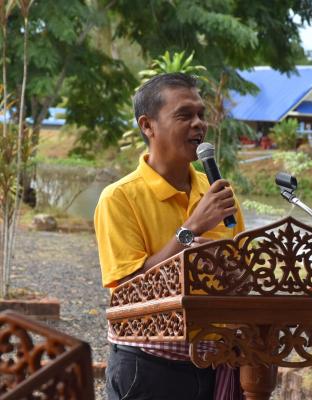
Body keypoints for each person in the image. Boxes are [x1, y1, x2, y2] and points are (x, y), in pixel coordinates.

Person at [94, 72, 245, 400]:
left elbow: (243, 275)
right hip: (147, 366)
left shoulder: (217, 192)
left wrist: (226, 266)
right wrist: (190, 231)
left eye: (201, 114)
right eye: (184, 115)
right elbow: (128, 294)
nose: (198, 124)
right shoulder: (119, 198)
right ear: (147, 125)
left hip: (214, 362)